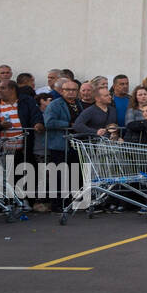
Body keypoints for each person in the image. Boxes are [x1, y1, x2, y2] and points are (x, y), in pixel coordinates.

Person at [40, 80, 83, 211]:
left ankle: (71, 202)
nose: (71, 92)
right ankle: (58, 204)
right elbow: (49, 122)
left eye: (74, 90)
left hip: (75, 145)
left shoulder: (78, 104)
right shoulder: (55, 105)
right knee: (59, 176)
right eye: (67, 90)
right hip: (59, 145)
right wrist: (68, 124)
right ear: (62, 91)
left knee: (74, 175)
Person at [0, 80, 43, 169]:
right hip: (3, 151)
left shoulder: (27, 101)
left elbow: (36, 114)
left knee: (27, 178)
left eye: (2, 88)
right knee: (7, 179)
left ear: (12, 89)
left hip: (24, 149)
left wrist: (38, 123)